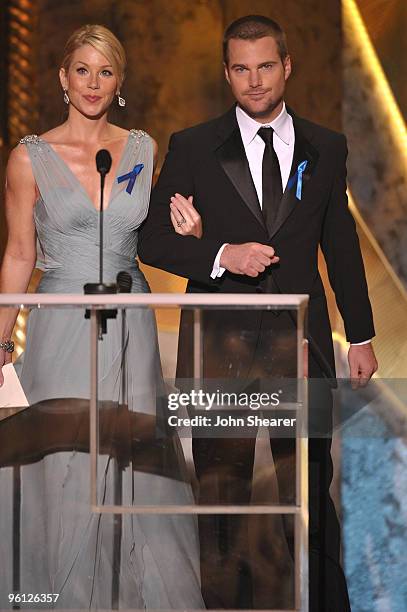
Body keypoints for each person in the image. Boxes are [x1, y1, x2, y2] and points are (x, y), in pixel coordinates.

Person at [138, 14, 378, 611]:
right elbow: (153, 242)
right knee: (222, 499)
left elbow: (341, 246)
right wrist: (221, 254)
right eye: (241, 69)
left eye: (265, 66)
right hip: (221, 346)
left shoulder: (327, 146)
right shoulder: (192, 146)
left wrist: (364, 335)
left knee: (309, 490)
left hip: (303, 344)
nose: (254, 80)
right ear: (226, 74)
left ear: (287, 66)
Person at [0, 24, 204, 609]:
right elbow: (18, 253)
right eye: (82, 70)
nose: (93, 83)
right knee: (65, 461)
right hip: (62, 322)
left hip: (132, 321)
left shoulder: (142, 149)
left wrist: (194, 231)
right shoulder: (28, 157)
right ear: (64, 79)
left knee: (136, 458)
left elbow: (158, 237)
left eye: (106, 71)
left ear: (120, 83)